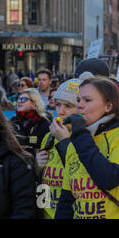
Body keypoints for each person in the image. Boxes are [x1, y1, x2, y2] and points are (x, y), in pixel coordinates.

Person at [55, 77, 119, 219]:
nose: (79, 105)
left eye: (87, 100)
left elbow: (109, 178)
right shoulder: (77, 141)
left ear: (108, 106)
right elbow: (67, 200)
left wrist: (79, 134)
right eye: (78, 100)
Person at [34, 78, 82, 219]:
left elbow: (81, 177)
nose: (61, 111)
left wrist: (64, 141)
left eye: (68, 105)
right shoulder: (49, 136)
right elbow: (42, 184)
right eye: (58, 104)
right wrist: (36, 168)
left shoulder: (86, 139)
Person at [10, 88, 50, 156]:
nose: (19, 101)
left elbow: (43, 145)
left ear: (34, 104)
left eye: (23, 99)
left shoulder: (43, 122)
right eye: (19, 99)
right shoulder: (13, 121)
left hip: (35, 162)